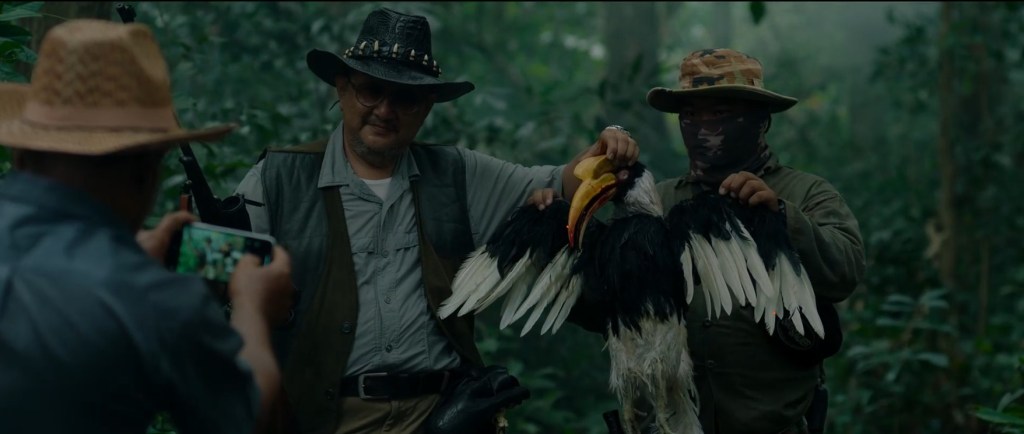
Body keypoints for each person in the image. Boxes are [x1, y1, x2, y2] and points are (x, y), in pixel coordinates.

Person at [232, 7, 639, 434]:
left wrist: (608, 145)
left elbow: (563, 183)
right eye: (371, 90)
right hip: (323, 416)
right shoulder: (279, 178)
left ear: (426, 107)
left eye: (405, 98)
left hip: (440, 415)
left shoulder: (456, 175)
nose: (385, 110)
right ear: (343, 88)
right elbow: (216, 272)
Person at [0, 19, 295, 434]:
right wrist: (251, 307)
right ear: (145, 174)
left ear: (21, 154)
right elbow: (249, 416)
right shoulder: (155, 300)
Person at [643, 48, 867, 434]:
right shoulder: (657, 202)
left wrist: (779, 216)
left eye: (720, 113)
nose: (702, 126)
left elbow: (844, 270)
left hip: (771, 424)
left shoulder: (805, 193)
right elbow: (604, 306)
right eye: (690, 115)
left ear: (760, 120)